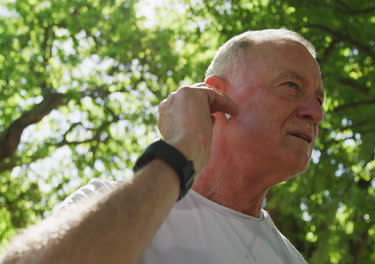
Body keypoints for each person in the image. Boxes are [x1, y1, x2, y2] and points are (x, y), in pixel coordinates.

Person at [0, 28, 324, 264]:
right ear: (216, 96)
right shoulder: (103, 205)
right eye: (291, 86)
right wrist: (180, 150)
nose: (316, 113)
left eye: (319, 100)